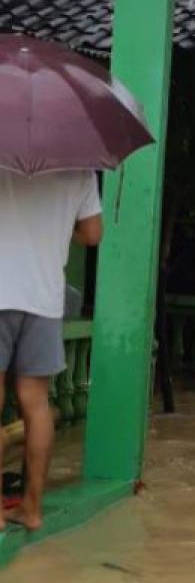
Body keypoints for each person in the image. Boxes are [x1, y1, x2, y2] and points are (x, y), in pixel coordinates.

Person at [0, 169, 103, 531]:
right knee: (36, 401)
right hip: (44, 299)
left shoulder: (4, 150)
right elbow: (93, 234)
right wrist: (59, 233)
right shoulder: (80, 168)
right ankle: (31, 509)